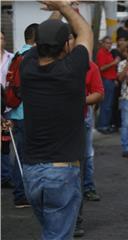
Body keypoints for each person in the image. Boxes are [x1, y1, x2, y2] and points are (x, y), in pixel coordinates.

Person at [20, 1, 93, 239]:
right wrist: (63, 7)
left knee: (51, 231)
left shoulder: (27, 67)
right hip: (61, 172)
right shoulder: (72, 71)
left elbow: (48, 35)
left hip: (31, 173)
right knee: (57, 235)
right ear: (65, 46)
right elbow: (85, 32)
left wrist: (58, 9)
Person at [6, 23, 39, 208]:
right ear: (36, 39)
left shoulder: (18, 55)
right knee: (26, 156)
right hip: (27, 113)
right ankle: (21, 195)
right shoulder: (31, 57)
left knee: (19, 153)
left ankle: (21, 193)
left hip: (17, 111)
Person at [96, 36, 120, 134]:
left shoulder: (108, 53)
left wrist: (114, 78)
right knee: (106, 104)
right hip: (106, 80)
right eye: (107, 43)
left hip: (110, 80)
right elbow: (101, 68)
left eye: (110, 43)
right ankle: (102, 126)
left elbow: (110, 69)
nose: (109, 45)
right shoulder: (101, 53)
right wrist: (114, 63)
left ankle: (106, 125)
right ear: (102, 43)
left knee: (109, 104)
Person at [0, 30, 14, 189]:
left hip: (8, 104)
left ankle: (5, 176)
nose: (1, 41)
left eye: (2, 38)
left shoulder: (11, 58)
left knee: (5, 141)